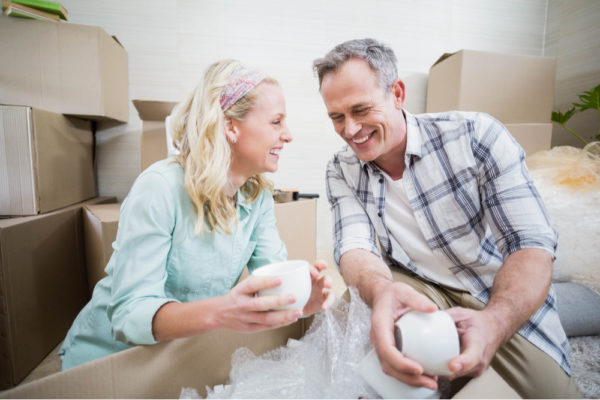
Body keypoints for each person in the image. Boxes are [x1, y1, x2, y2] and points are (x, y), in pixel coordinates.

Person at [313, 38, 581, 398]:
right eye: (337, 117)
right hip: (416, 285)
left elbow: (530, 245)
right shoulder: (340, 168)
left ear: (397, 94)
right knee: (364, 330)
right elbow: (354, 248)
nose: (350, 130)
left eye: (361, 110)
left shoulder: (476, 136)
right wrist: (382, 292)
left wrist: (496, 323)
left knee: (550, 393)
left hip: (490, 290)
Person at [59, 59, 335, 370]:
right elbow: (130, 314)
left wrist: (301, 301)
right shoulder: (159, 188)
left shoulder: (257, 198)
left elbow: (274, 281)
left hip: (179, 354)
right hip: (111, 361)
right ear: (231, 126)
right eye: (276, 122)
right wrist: (223, 312)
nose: (288, 135)